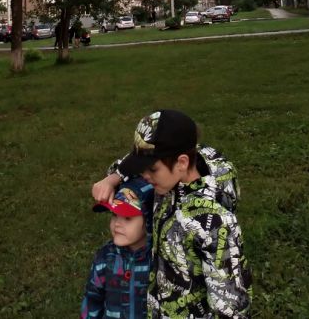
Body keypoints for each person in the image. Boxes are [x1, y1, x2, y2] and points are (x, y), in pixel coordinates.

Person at [93, 109, 252, 319]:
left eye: (152, 170)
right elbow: (133, 163)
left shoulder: (214, 223)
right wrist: (112, 179)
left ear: (182, 162)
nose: (144, 176)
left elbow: (232, 308)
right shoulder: (177, 171)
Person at [81, 177, 154, 319]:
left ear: (149, 221)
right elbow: (92, 299)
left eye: (127, 218)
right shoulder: (105, 256)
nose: (117, 224)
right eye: (115, 215)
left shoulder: (158, 259)